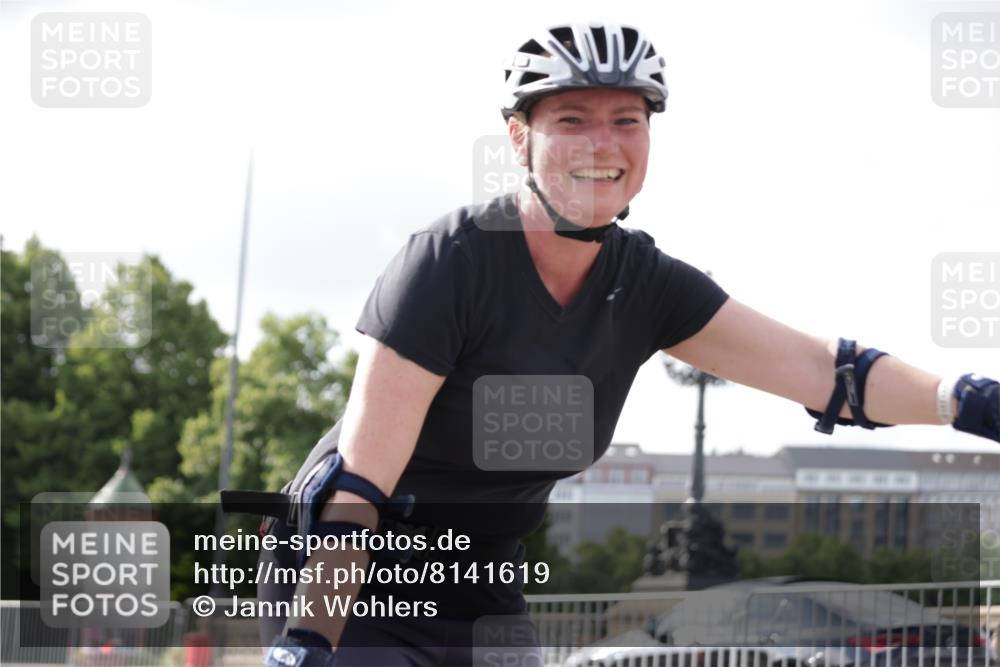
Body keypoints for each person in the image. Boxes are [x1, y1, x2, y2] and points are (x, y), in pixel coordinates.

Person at [235, 21, 999, 667]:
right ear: (518, 137)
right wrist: (307, 640)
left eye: (627, 120)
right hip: (350, 575)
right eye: (571, 119)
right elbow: (359, 488)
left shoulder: (648, 284)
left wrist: (959, 399)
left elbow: (825, 372)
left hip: (479, 581)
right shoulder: (450, 262)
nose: (604, 142)